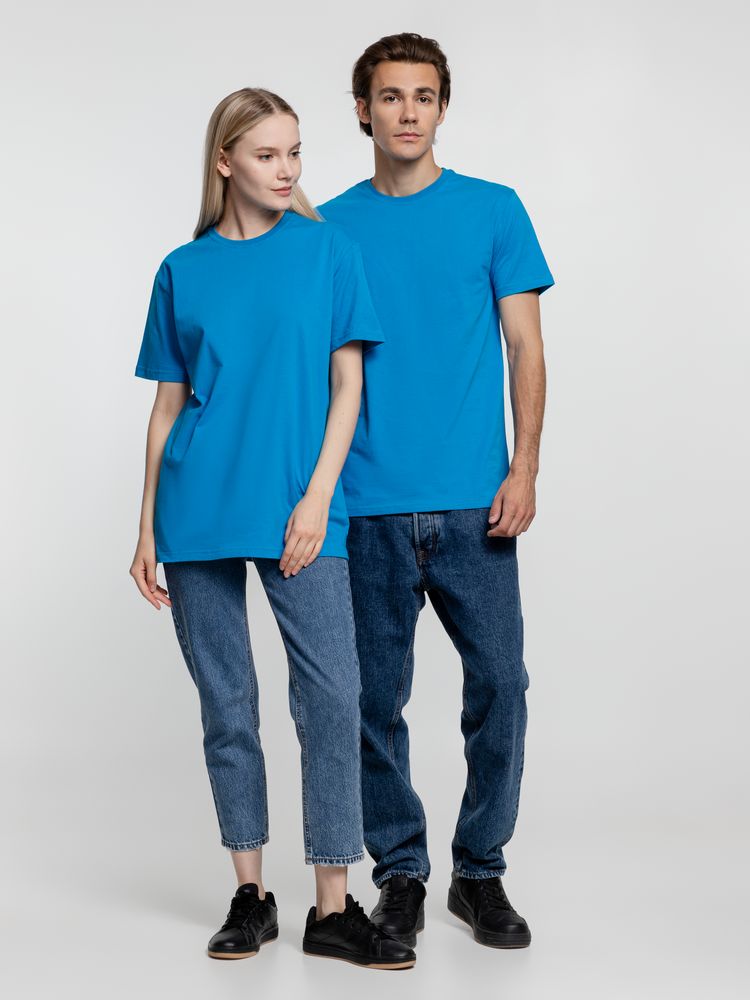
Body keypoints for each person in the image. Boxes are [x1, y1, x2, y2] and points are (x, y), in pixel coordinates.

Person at [129, 87, 415, 971]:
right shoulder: (183, 269)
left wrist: (318, 497)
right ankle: (250, 895)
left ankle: (333, 906)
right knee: (228, 706)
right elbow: (168, 406)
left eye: (295, 152)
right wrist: (145, 527)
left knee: (331, 699)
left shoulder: (329, 251)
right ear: (225, 162)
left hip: (299, 505)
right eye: (266, 154)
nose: (286, 169)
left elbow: (347, 385)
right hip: (197, 509)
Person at [317, 34, 555, 950]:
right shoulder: (329, 228)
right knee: (372, 703)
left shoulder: (494, 210)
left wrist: (524, 465)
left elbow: (526, 346)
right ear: (363, 110)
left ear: (442, 108)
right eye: (390, 96)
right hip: (366, 501)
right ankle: (402, 874)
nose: (407, 111)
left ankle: (480, 871)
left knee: (501, 683)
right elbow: (307, 360)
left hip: (473, 502)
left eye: (423, 96)